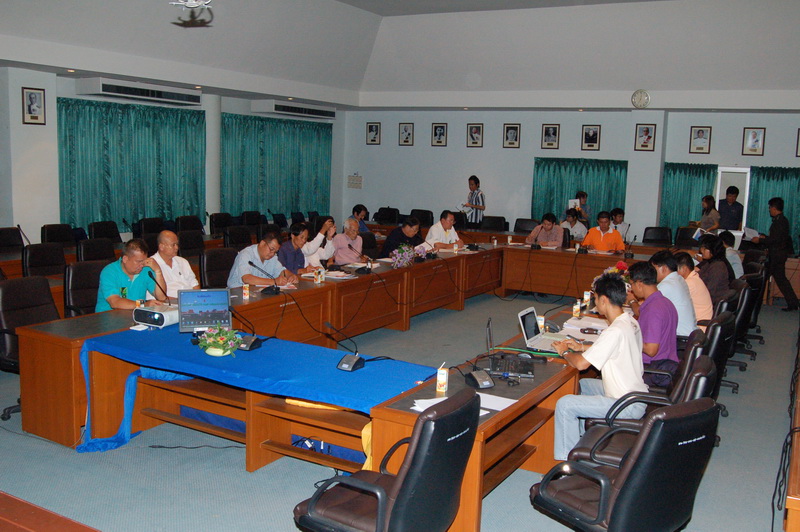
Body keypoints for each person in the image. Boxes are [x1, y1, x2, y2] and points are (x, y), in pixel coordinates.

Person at [551, 273, 648, 460]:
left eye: (595, 298)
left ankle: (568, 464)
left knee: (565, 404)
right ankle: (582, 440)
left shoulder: (615, 330)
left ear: (604, 300)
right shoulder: (630, 321)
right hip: (635, 395)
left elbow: (581, 364)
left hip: (625, 404)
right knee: (582, 385)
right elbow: (614, 347)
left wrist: (564, 352)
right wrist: (581, 347)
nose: (595, 303)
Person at [627, 262, 679, 386]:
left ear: (639, 284)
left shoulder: (653, 309)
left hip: (653, 369)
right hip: (666, 363)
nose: (631, 289)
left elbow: (651, 350)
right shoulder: (665, 302)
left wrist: (628, 337)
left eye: (631, 284)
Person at [751, 197, 798, 311]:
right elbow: (775, 238)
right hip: (777, 254)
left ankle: (754, 301)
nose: (769, 210)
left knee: (763, 277)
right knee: (780, 279)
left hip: (777, 255)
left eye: (770, 208)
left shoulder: (780, 222)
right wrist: (765, 238)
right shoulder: (780, 220)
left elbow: (775, 240)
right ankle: (793, 303)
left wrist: (760, 240)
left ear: (774, 208)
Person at [96, 239, 167, 312]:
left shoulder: (146, 270)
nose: (142, 265)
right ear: (125, 259)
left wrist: (158, 271)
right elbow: (114, 302)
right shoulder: (109, 272)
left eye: (144, 261)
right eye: (138, 261)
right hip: (109, 316)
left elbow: (161, 298)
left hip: (136, 314)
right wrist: (143, 304)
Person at [649, 250, 697, 336]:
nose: (651, 273)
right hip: (691, 334)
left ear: (664, 268)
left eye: (653, 269)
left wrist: (632, 301)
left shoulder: (667, 285)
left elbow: (645, 310)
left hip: (680, 337)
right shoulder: (678, 278)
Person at [227, 232, 298, 288]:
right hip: (237, 293)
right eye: (271, 249)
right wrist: (274, 281)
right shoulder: (245, 254)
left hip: (257, 292)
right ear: (262, 243)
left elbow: (281, 271)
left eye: (275, 252)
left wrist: (291, 276)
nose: (272, 254)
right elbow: (246, 279)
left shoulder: (272, 256)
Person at [150, 230, 199, 299]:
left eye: (177, 244)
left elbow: (194, 284)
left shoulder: (182, 261)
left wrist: (198, 299)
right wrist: (181, 301)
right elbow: (156, 297)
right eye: (173, 245)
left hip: (191, 301)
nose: (177, 248)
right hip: (170, 303)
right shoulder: (151, 265)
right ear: (161, 247)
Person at [675, 251, 714, 330]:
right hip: (699, 324)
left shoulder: (689, 283)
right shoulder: (694, 278)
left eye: (675, 270)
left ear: (684, 269)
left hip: (698, 328)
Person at [696, 234, 734, 305]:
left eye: (704, 248)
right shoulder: (710, 262)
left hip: (712, 303)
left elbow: (710, 291)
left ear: (713, 250)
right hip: (706, 299)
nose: (701, 251)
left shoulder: (718, 266)